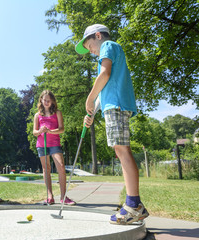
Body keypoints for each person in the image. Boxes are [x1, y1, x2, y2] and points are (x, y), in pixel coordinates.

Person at [75, 24, 149, 224]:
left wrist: (89, 98)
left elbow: (105, 75)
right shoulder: (107, 52)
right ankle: (134, 204)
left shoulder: (108, 45)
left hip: (116, 105)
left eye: (89, 44)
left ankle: (133, 205)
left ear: (97, 36)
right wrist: (92, 111)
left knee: (122, 150)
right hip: (112, 105)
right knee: (120, 150)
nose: (89, 50)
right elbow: (104, 90)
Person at [33, 90, 76, 205]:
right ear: (41, 100)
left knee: (61, 167)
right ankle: (50, 196)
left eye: (49, 100)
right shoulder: (37, 115)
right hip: (42, 145)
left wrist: (50, 131)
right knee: (46, 168)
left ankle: (63, 197)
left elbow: (61, 129)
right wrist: (40, 131)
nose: (46, 102)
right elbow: (34, 132)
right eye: (44, 100)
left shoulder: (57, 113)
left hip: (55, 144)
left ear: (52, 101)